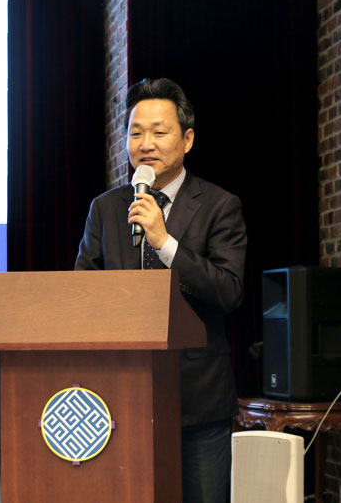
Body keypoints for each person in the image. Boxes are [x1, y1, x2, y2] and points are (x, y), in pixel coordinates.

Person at [75, 78, 247, 503]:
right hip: (118, 397)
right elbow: (82, 295)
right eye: (136, 133)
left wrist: (164, 243)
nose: (146, 144)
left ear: (187, 139)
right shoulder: (106, 208)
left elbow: (228, 292)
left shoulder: (219, 205)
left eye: (159, 131)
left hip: (197, 399)